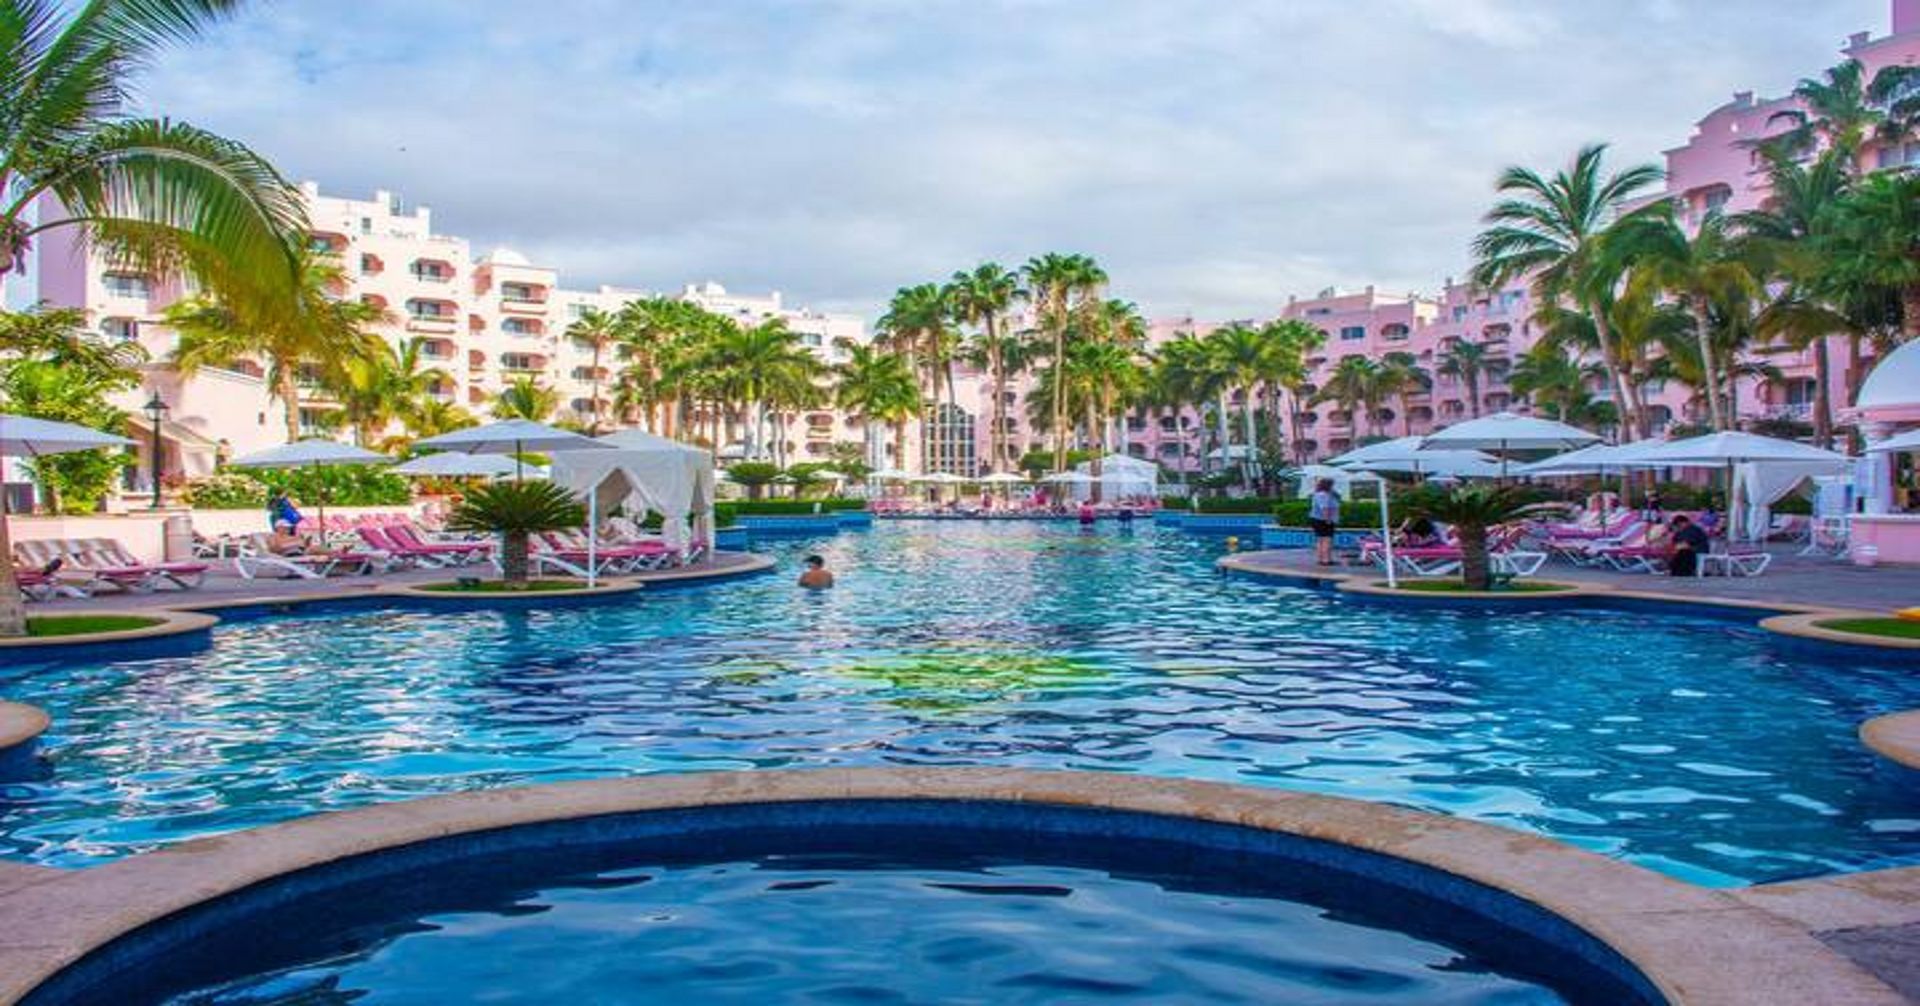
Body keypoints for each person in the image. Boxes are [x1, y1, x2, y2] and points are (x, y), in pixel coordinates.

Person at [1309, 478, 1340, 566]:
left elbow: (1337, 497)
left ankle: (1321, 559)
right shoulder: (1323, 495)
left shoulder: (1321, 494)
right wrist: (1328, 519)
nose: (1333, 487)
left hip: (1318, 519)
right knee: (1327, 540)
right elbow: (1325, 508)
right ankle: (1326, 560)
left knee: (1321, 540)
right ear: (1328, 485)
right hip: (1323, 520)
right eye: (1331, 485)